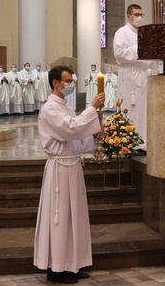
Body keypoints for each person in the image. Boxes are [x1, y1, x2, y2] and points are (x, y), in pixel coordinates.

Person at [33, 66, 104, 284]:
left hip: (72, 166)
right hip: (60, 170)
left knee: (75, 217)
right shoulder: (50, 109)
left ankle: (72, 264)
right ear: (56, 82)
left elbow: (77, 137)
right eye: (68, 80)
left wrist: (95, 134)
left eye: (72, 80)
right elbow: (69, 130)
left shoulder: (65, 107)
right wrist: (92, 109)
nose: (71, 84)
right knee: (60, 218)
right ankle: (56, 269)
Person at [114, 4, 159, 151]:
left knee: (142, 109)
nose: (139, 17)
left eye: (141, 14)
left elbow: (150, 58)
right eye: (136, 14)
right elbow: (120, 54)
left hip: (142, 75)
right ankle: (129, 142)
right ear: (129, 16)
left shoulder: (143, 34)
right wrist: (139, 49)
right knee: (130, 108)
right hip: (128, 76)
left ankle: (142, 142)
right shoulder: (122, 32)